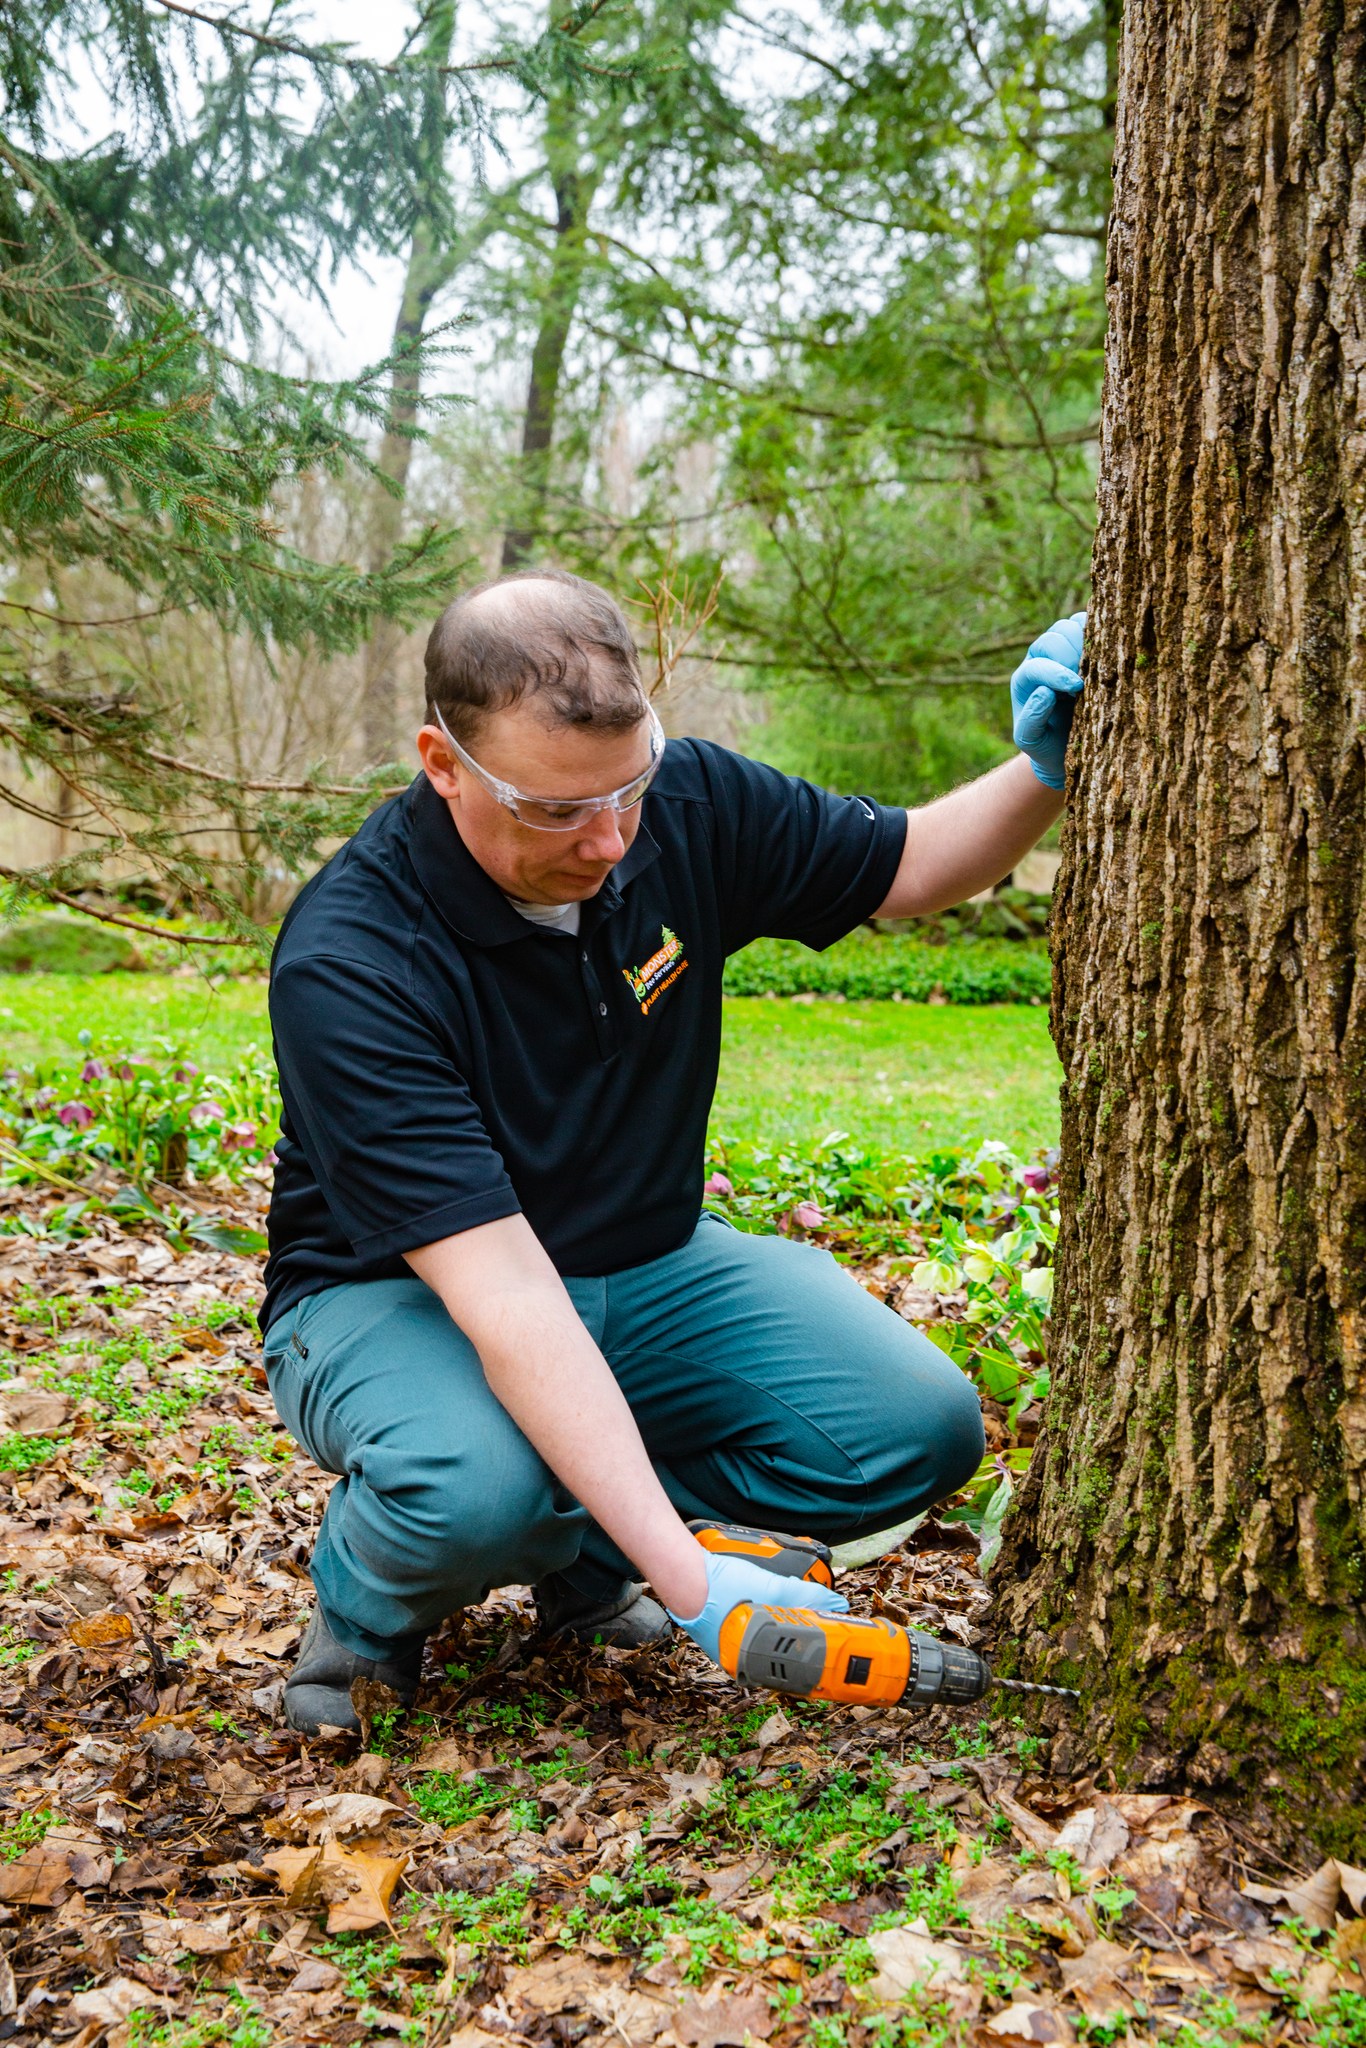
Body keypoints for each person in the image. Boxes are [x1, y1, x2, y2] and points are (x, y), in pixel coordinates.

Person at [262, 571, 1086, 1735]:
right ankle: (366, 1597)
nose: (608, 840)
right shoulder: (354, 959)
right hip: (399, 1293)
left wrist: (1050, 764)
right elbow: (503, 1296)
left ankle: (582, 1554)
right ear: (443, 763)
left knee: (911, 1423)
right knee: (472, 1489)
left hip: (646, 1261)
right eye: (556, 810)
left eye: (628, 789)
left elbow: (909, 866)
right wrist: (697, 1582)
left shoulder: (685, 802)